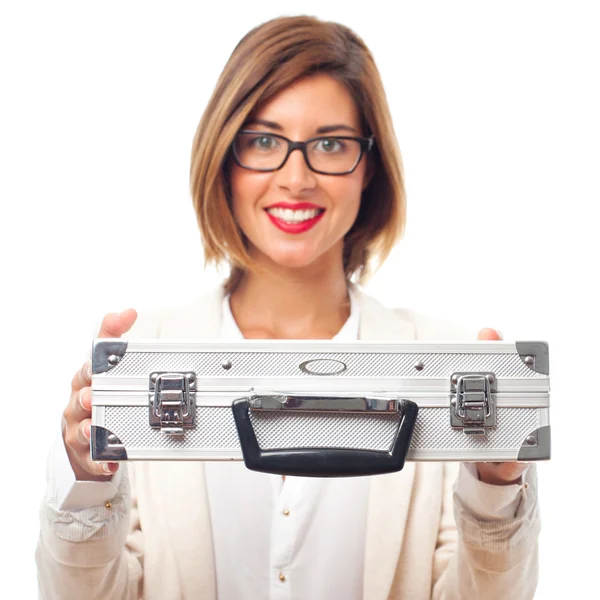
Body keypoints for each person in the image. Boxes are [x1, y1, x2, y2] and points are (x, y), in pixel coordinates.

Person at [36, 15, 540, 600]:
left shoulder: (448, 368)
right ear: (225, 159)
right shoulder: (144, 360)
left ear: (368, 165)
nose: (296, 178)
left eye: (330, 144)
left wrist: (497, 485)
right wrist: (84, 477)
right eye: (265, 141)